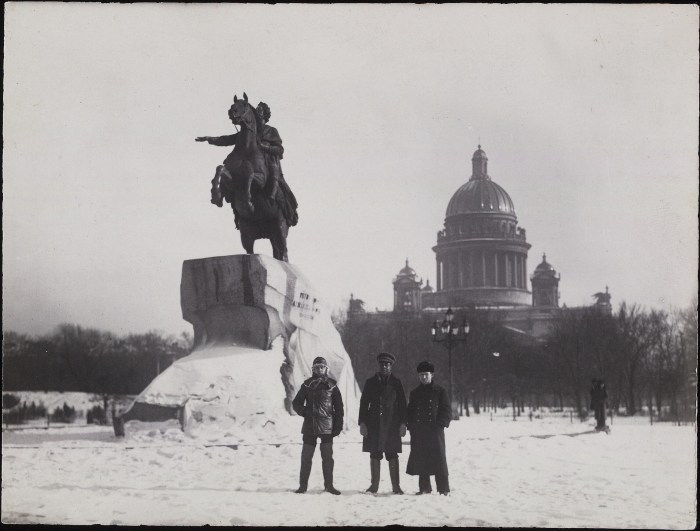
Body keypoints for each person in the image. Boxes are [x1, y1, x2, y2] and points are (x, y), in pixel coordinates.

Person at [292, 356, 344, 495]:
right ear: (313, 369)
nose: (320, 369)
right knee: (306, 457)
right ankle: (303, 486)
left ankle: (329, 486)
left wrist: (338, 425)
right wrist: (305, 412)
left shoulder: (333, 386)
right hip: (310, 426)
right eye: (317, 367)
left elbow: (339, 408)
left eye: (322, 367)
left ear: (326, 369)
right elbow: (296, 403)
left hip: (327, 426)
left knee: (327, 458)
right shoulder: (307, 385)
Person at [358, 352, 407, 495]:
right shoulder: (370, 382)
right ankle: (374, 485)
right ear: (379, 365)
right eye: (383, 364)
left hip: (392, 425)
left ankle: (396, 486)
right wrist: (362, 423)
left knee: (392, 454)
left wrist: (403, 423)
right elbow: (363, 404)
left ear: (391, 366)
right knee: (375, 454)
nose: (385, 366)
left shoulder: (396, 383)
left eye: (388, 364)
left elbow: (403, 405)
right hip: (374, 425)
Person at [406, 361, 452, 495]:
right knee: (421, 459)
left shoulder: (440, 391)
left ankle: (443, 489)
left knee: (439, 460)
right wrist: (411, 426)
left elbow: (446, 410)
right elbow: (410, 411)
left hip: (435, 431)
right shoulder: (414, 393)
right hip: (419, 432)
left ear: (432, 375)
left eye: (426, 374)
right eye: (421, 375)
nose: (424, 378)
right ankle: (424, 488)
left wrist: (440, 425)